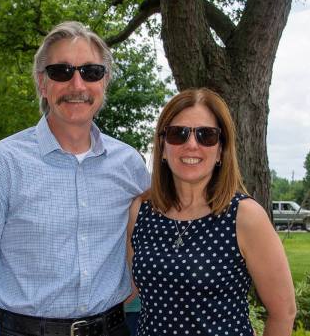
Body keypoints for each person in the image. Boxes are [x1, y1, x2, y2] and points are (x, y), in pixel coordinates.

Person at [0, 21, 150, 336]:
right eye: (61, 72)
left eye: (91, 72)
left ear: (105, 82)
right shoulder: (2, 162)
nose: (77, 85)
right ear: (42, 83)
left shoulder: (130, 164)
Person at [126, 88, 297, 336]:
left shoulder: (245, 216)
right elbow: (129, 291)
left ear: (220, 150)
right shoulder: (141, 212)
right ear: (163, 147)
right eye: (178, 134)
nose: (191, 145)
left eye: (206, 135)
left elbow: (284, 312)